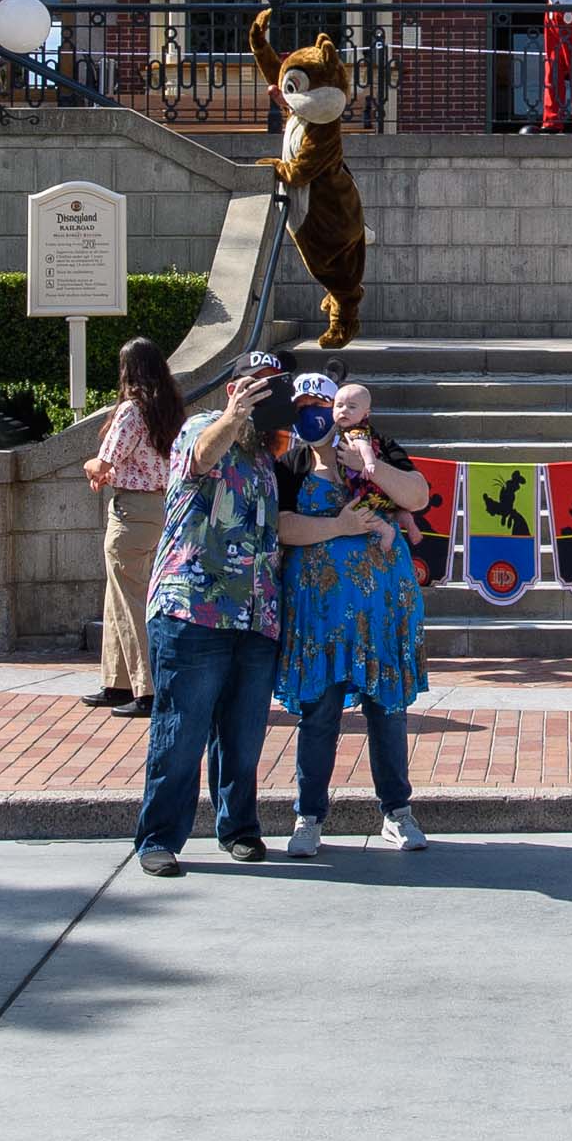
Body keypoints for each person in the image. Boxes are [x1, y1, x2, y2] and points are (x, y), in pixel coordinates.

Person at [131, 353, 291, 876]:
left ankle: (238, 828)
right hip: (193, 608)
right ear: (232, 390)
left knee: (244, 735)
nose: (264, 395)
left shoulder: (269, 453)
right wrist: (235, 416)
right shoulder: (201, 427)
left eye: (273, 387)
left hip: (256, 615)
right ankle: (159, 838)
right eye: (254, 386)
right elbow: (200, 458)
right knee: (181, 730)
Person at [276, 377, 433, 855]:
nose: (316, 414)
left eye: (322, 404)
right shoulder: (292, 463)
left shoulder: (375, 446)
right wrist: (339, 526)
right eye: (303, 407)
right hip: (320, 616)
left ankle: (397, 812)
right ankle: (309, 817)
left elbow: (418, 495)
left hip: (381, 612)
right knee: (319, 713)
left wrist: (372, 467)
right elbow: (282, 526)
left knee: (387, 712)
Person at [77, 338, 178, 715]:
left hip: (132, 512)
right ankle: (117, 682)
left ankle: (146, 688)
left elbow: (103, 462)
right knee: (119, 595)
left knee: (131, 599)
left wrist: (91, 466)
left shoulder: (131, 410)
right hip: (161, 508)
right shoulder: (169, 410)